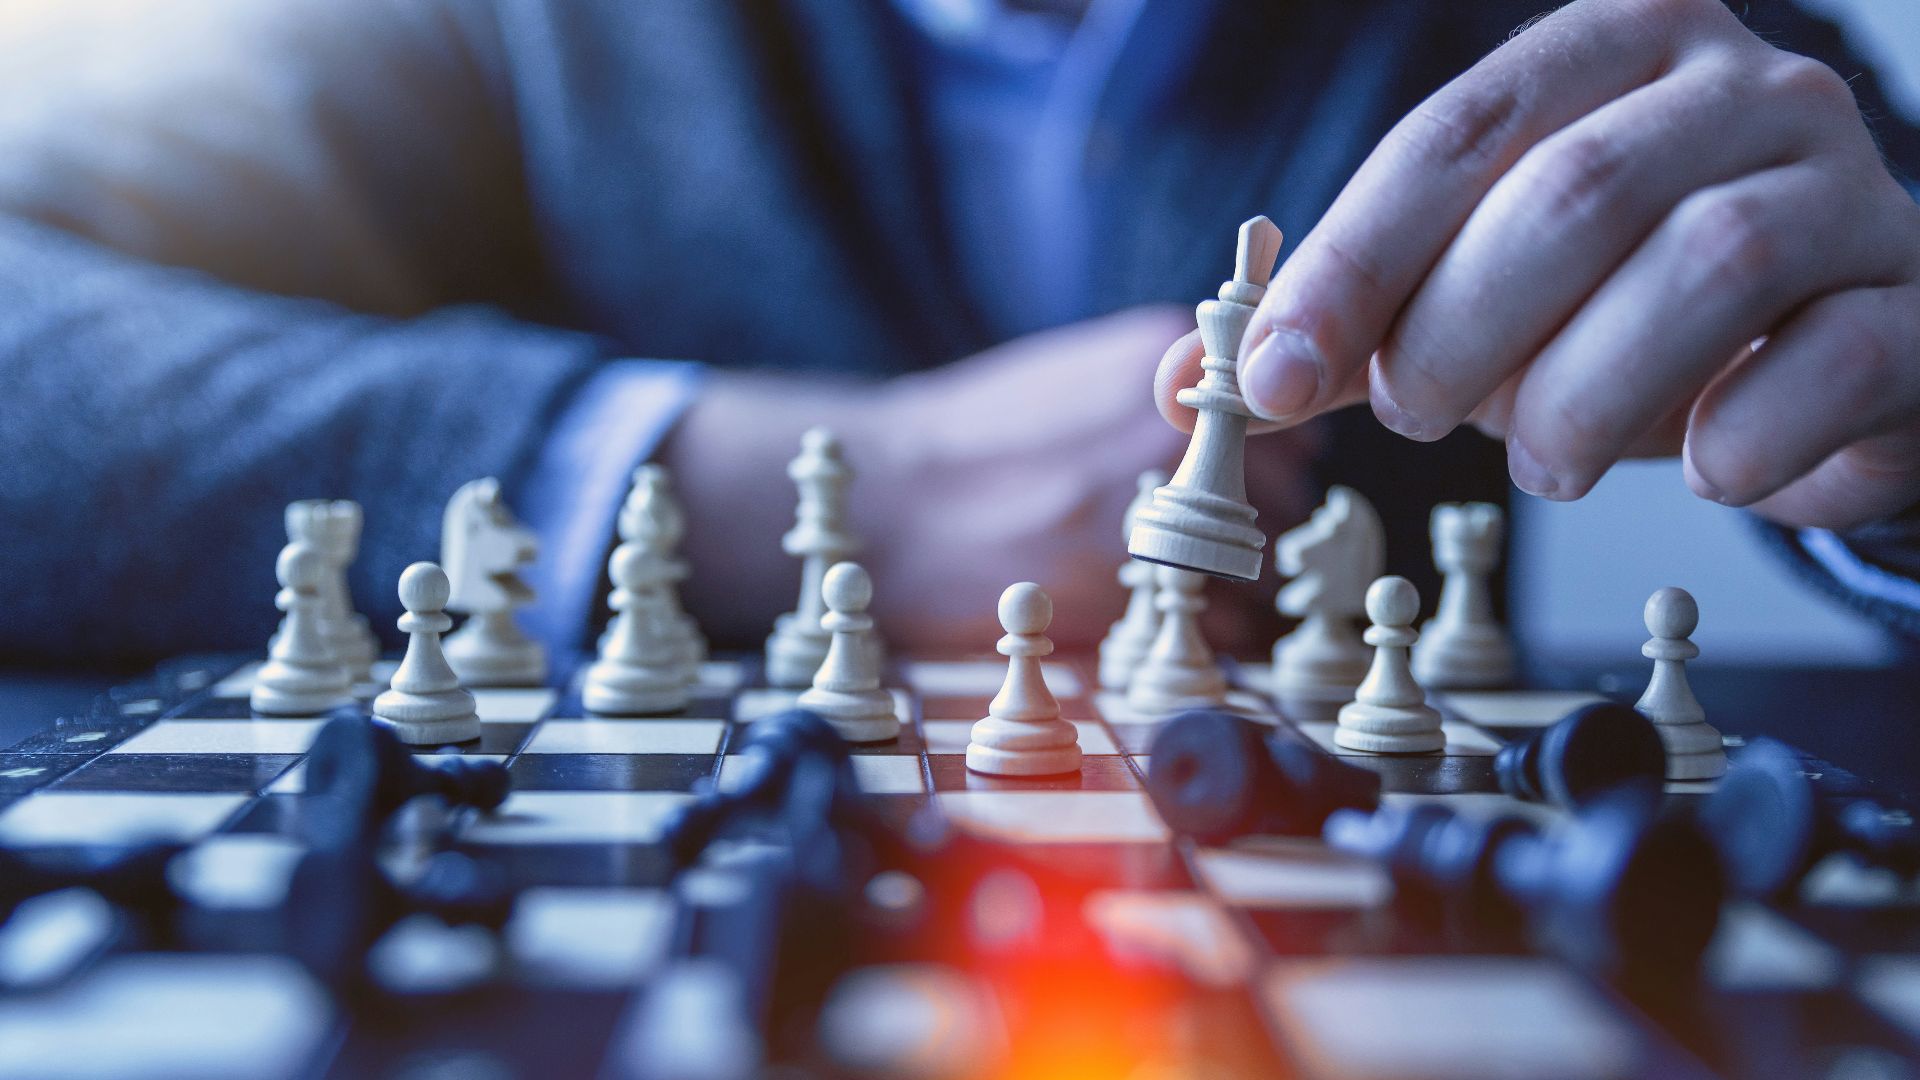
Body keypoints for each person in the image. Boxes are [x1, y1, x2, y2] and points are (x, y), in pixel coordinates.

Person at [0, 0, 1914, 667]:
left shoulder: (1576, 18)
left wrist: (1906, 464)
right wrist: (829, 495)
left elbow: (1861, 307)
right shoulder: (481, 27)